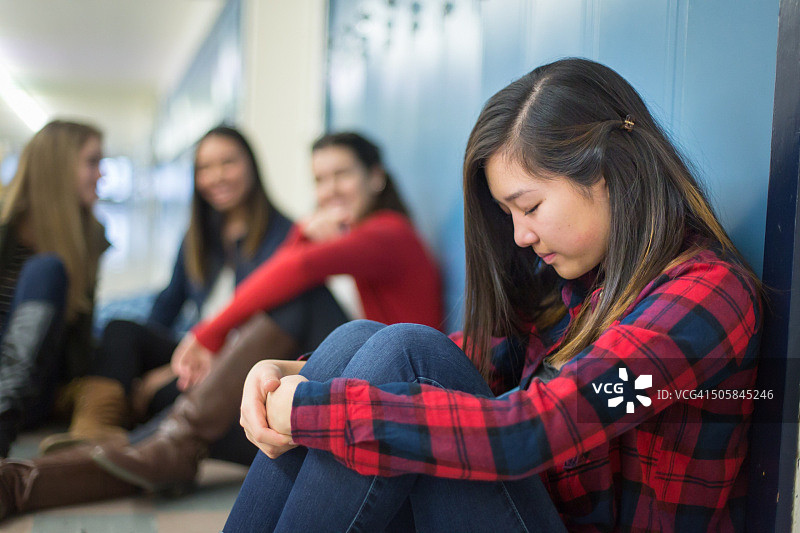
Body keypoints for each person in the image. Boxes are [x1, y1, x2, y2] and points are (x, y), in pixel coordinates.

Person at [226, 58, 763, 533]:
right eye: (509, 214)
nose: (520, 236)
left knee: (404, 353)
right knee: (360, 340)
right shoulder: (579, 289)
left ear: (608, 172)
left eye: (530, 207)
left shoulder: (704, 300)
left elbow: (533, 431)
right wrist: (295, 373)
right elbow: (470, 357)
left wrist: (315, 408)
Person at [0, 131, 443, 519]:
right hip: (353, 392)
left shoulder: (389, 233)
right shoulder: (353, 235)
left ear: (376, 178)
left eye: (341, 175)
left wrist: (207, 335)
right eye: (319, 180)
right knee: (179, 434)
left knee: (188, 424)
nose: (329, 191)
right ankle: (18, 483)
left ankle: (61, 470)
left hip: (387, 402)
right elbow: (282, 271)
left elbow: (296, 270)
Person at [39, 125, 295, 453]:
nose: (216, 176)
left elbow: (259, 334)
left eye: (228, 163)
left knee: (163, 395)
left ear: (251, 167)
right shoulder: (200, 236)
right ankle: (95, 431)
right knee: (120, 331)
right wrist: (149, 362)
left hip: (241, 362)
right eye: (204, 167)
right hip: (195, 351)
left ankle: (125, 435)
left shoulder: (284, 236)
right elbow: (167, 305)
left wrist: (167, 373)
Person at [0, 120, 108, 458]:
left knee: (47, 269)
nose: (101, 174)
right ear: (59, 167)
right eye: (92, 162)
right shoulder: (5, 227)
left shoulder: (90, 236)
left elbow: (77, 347)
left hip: (30, 394)